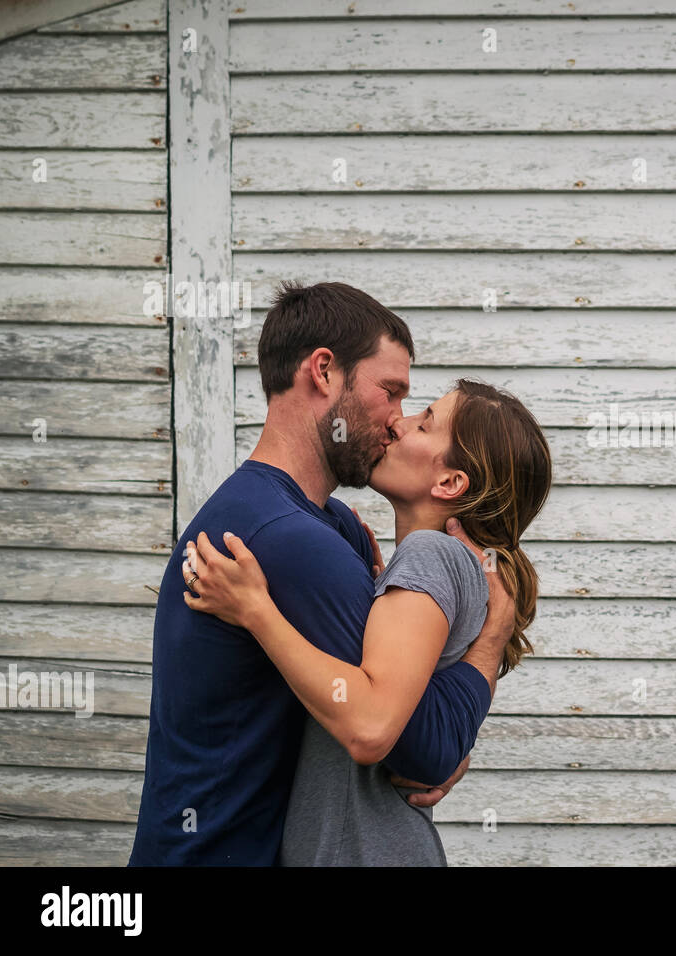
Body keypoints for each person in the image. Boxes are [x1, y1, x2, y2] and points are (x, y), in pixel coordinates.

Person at [129, 281, 511, 865]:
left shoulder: (318, 523)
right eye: (391, 392)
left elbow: (401, 712)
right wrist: (488, 646)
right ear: (324, 372)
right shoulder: (290, 541)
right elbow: (417, 747)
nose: (397, 421)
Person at [181, 379, 552, 865]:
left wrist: (255, 611)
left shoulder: (431, 555)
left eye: (424, 423)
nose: (399, 422)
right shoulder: (451, 568)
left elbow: (370, 728)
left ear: (449, 483)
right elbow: (421, 708)